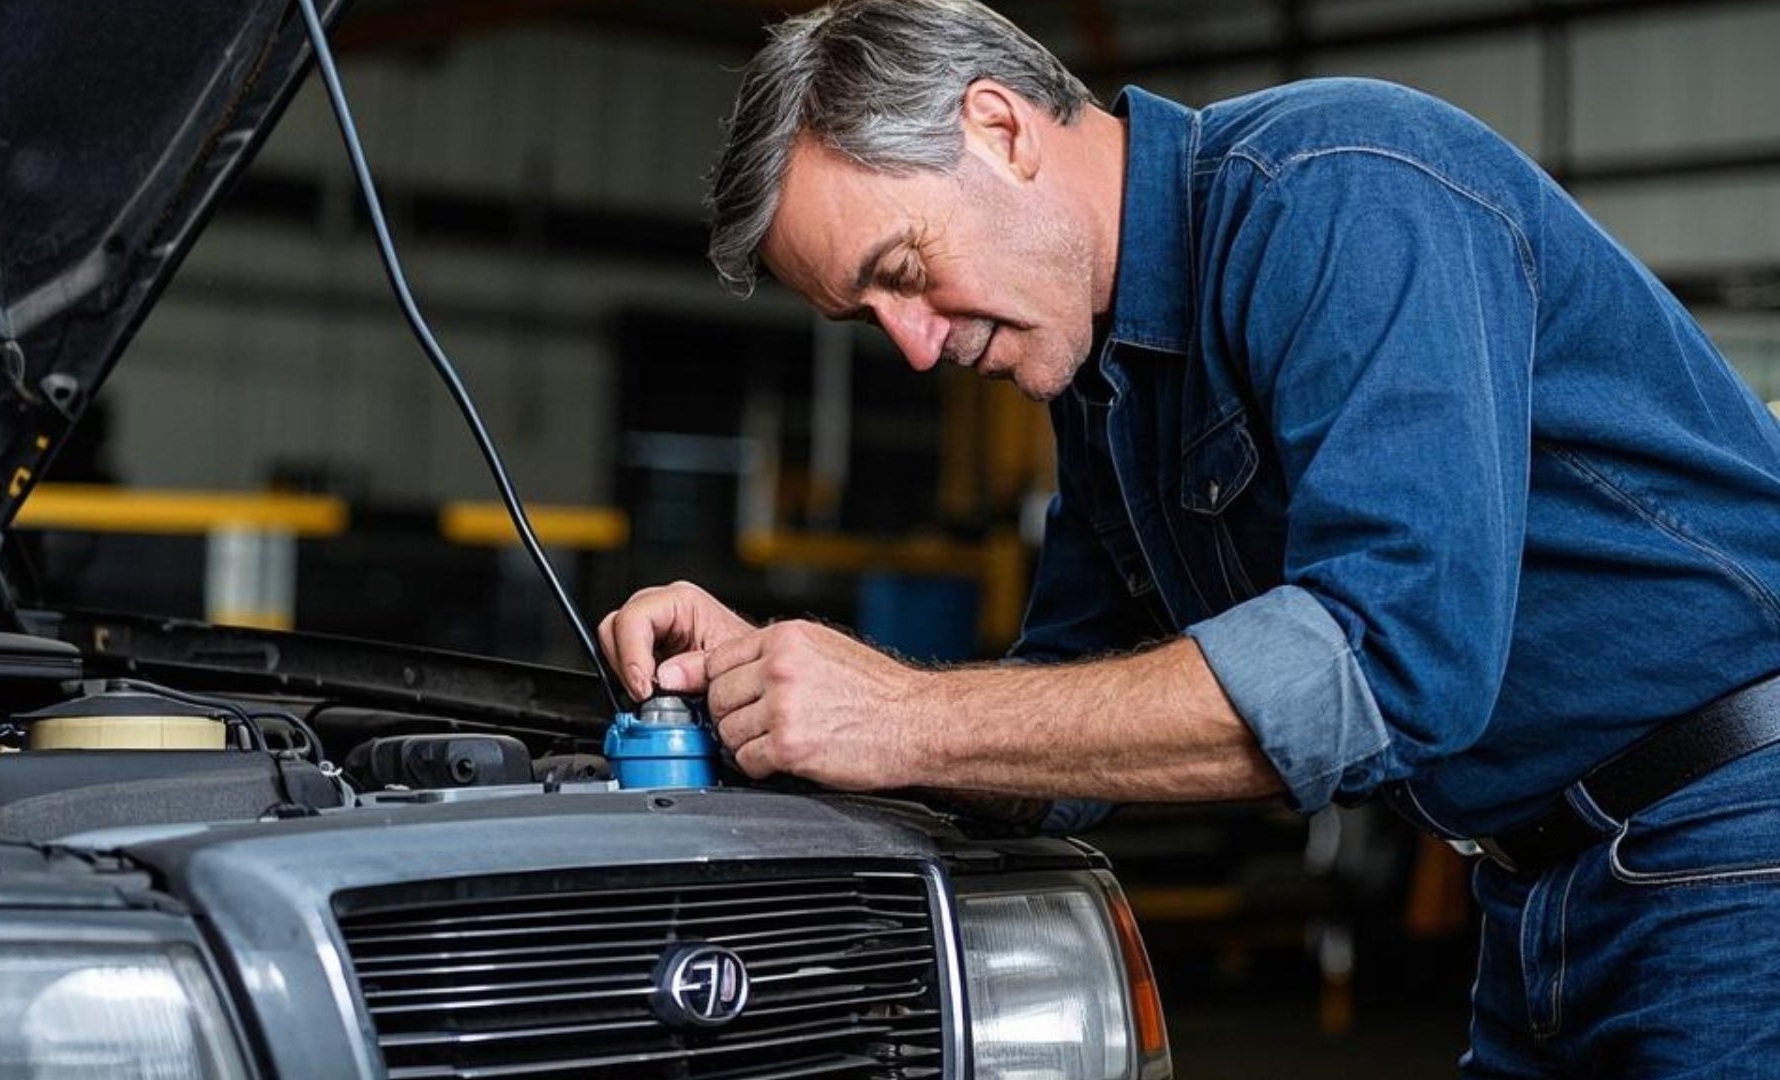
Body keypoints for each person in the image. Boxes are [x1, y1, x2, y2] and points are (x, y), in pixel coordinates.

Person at [596, 0, 1780, 1073]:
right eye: (870, 317)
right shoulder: (1105, 380)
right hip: (1540, 895)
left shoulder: (1342, 193)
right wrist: (772, 698)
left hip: (1733, 847)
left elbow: (1391, 666)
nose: (914, 346)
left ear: (1001, 129)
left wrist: (900, 716)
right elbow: (1048, 736)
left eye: (904, 270)